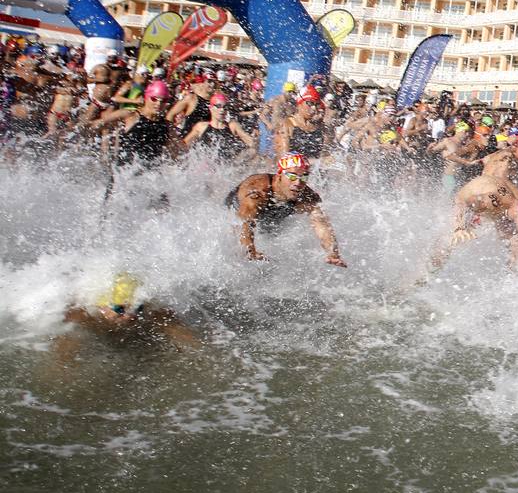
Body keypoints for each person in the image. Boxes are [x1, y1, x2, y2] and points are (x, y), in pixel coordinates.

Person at [225, 152, 346, 266]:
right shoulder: (259, 190)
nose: (298, 183)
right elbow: (243, 222)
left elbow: (321, 224)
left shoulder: (306, 196)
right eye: (292, 176)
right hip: (234, 212)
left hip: (268, 218)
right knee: (238, 250)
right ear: (279, 175)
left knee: (271, 236)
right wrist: (250, 251)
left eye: (304, 177)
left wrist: (333, 253)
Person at [54, 272, 199, 363]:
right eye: (120, 309)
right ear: (101, 308)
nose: (131, 316)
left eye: (138, 308)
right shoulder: (81, 316)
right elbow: (61, 364)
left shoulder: (156, 313)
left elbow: (195, 347)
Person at [183, 92, 256, 159]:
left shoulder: (232, 126)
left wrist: (239, 159)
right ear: (211, 108)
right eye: (218, 106)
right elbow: (184, 145)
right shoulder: (201, 126)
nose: (222, 110)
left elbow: (252, 143)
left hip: (226, 167)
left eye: (225, 107)